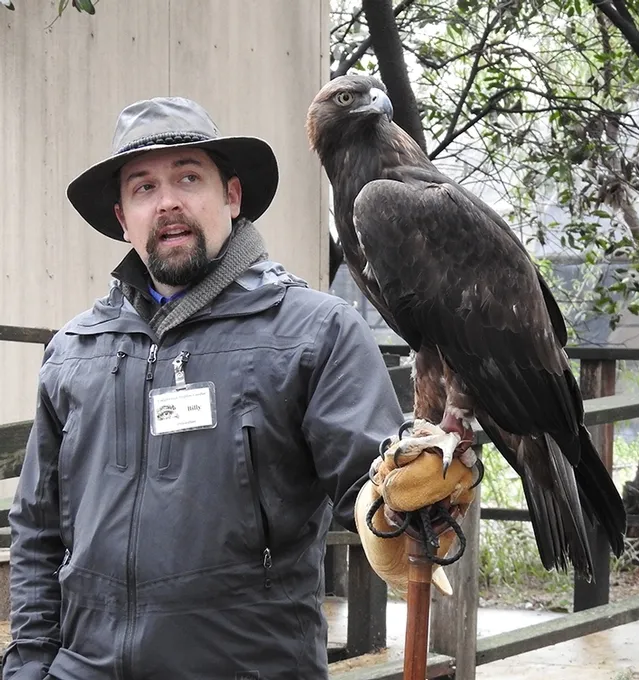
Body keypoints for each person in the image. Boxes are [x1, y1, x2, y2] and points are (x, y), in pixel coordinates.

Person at [4, 96, 473, 680]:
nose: (169, 201)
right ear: (123, 218)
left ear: (231, 195)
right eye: (143, 187)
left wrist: (411, 497)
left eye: (188, 177)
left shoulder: (315, 333)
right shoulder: (75, 351)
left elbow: (374, 486)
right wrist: (27, 667)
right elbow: (38, 528)